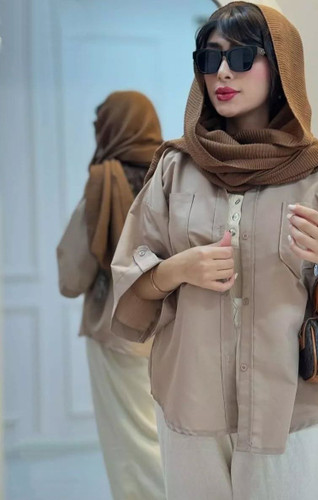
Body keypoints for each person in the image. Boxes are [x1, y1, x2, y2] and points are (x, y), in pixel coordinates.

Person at [111, 3, 318, 499]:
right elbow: (131, 279)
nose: (221, 72)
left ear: (280, 67)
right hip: (190, 404)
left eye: (240, 57)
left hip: (290, 410)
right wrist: (176, 270)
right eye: (208, 58)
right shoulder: (175, 168)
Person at [56, 91, 166, 500]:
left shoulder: (103, 182)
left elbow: (71, 276)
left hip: (115, 333)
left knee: (129, 446)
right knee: (169, 437)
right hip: (171, 330)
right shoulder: (173, 177)